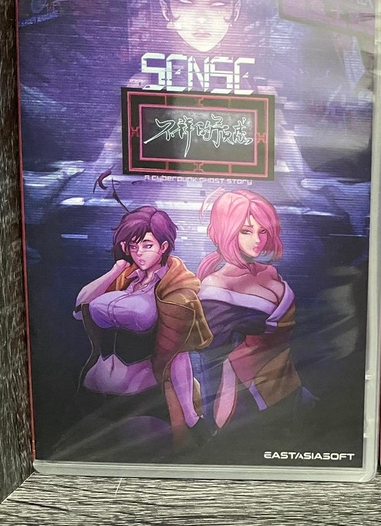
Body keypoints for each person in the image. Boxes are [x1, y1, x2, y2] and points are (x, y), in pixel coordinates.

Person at [74, 205, 211, 444]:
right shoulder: (124, 278)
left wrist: (190, 415)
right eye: (133, 246)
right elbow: (79, 309)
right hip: (92, 391)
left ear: (163, 247)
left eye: (147, 245)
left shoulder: (176, 291)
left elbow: (178, 356)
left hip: (141, 397)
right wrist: (116, 269)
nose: (139, 253)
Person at [197, 189, 301, 428]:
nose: (257, 240)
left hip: (288, 383)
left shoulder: (269, 272)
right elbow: (210, 358)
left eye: (262, 231)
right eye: (246, 231)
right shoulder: (217, 286)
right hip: (248, 395)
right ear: (227, 231)